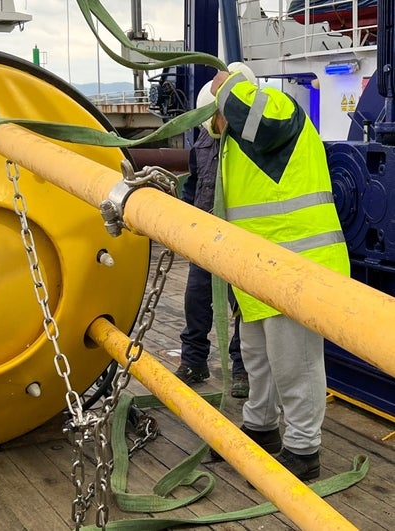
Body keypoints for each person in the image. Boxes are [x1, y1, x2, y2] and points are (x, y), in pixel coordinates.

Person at [201, 63, 350, 480]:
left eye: (215, 114)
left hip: (296, 266)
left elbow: (263, 127)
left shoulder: (278, 108)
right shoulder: (233, 143)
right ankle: (260, 428)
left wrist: (227, 86)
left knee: (295, 362)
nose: (214, 125)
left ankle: (304, 450)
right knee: (258, 358)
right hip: (258, 271)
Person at [175, 119, 248, 399]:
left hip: (238, 237)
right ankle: (193, 363)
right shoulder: (203, 138)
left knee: (242, 306)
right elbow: (193, 185)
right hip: (205, 236)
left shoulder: (247, 142)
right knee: (196, 300)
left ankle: (242, 369)